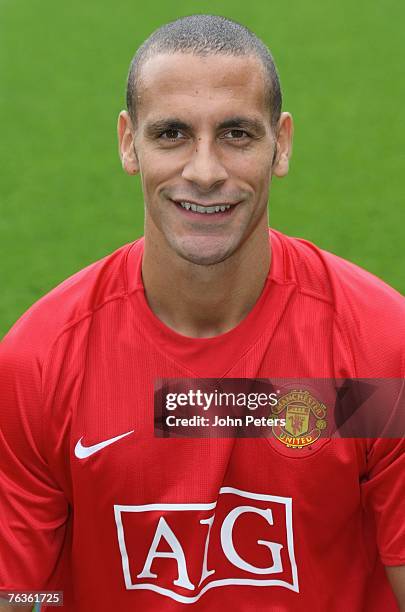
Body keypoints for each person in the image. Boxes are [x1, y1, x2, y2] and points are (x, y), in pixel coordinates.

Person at [0, 14, 404, 612]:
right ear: (127, 142)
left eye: (237, 134)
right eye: (172, 134)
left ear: (281, 143)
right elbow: (25, 597)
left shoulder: (377, 353)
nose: (205, 171)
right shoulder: (38, 364)